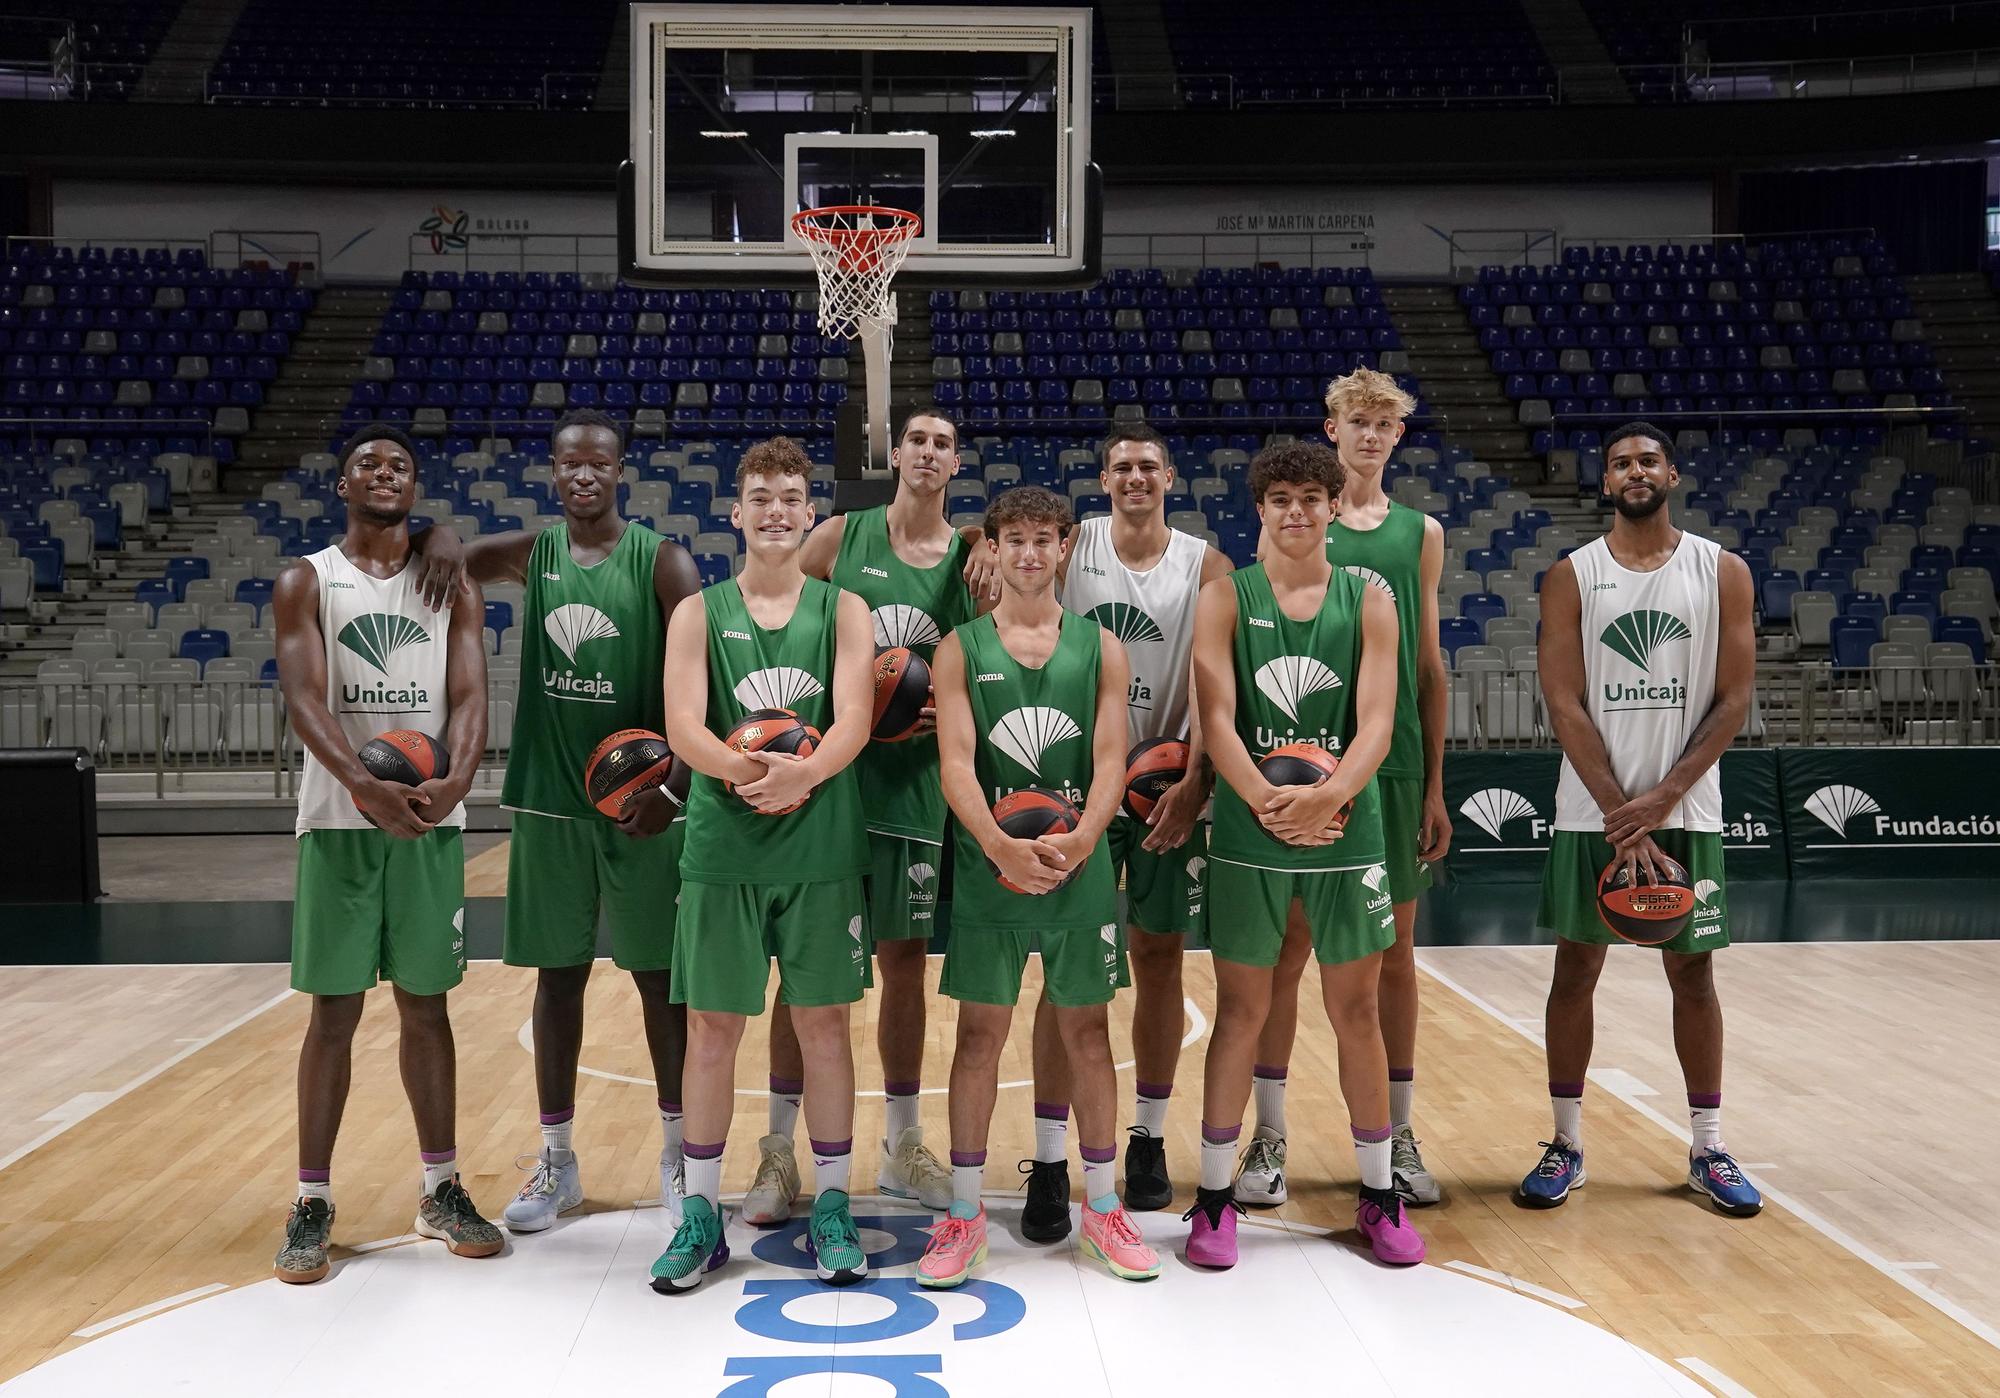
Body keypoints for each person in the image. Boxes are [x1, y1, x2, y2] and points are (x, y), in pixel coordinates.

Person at [408, 408, 702, 1232]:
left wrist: (676, 788)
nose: (582, 475)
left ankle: (679, 1153)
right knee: (558, 979)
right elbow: (454, 557)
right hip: (549, 798)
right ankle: (558, 1160)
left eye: (596, 464)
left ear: (619, 471)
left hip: (642, 803)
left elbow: (700, 678)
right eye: (568, 464)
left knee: (658, 981)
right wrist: (436, 532)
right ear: (552, 472)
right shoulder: (534, 554)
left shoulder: (662, 560)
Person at [1183, 440, 1424, 1270]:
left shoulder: (1370, 599)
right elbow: (1216, 720)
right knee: (1242, 1011)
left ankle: (1379, 1193)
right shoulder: (1224, 598)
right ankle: (1214, 1202)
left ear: (1331, 506)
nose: (1295, 511)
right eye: (1279, 498)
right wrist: (1265, 802)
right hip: (1253, 831)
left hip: (1345, 828)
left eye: (1310, 498)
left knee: (1356, 1011)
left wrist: (1327, 797)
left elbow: (1379, 721)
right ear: (1260, 509)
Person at [271, 423, 497, 1284]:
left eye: (400, 464)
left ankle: (441, 1186)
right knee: (333, 1015)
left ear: (416, 485)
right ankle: (312, 1201)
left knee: (426, 1008)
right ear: (343, 485)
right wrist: (361, 785)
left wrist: (456, 782)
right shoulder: (307, 580)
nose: (384, 472)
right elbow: (304, 697)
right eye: (368, 462)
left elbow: (471, 692)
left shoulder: (450, 581)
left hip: (430, 822)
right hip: (339, 821)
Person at [919, 486, 1161, 1288]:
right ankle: (961, 1215)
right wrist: (997, 846)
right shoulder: (959, 647)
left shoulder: (1101, 647)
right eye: (1012, 539)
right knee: (979, 1038)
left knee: (1087, 1035)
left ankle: (1102, 1209)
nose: (1027, 553)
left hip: (1075, 868)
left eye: (1042, 540)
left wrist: (1086, 840)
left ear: (1065, 548)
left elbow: (1107, 762)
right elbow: (956, 763)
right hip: (992, 869)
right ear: (993, 547)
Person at [1517, 422, 1761, 1218]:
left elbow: (1733, 700)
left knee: (1694, 975)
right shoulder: (1572, 576)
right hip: (1593, 813)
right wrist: (1628, 813)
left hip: (1687, 807)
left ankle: (1709, 1146)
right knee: (1574, 971)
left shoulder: (1721, 570)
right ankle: (1566, 1143)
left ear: (1673, 474)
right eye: (1620, 462)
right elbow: (1564, 699)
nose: (1634, 470)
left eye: (1646, 459)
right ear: (1606, 481)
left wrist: (1663, 800)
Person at [650, 436, 875, 1293]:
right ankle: (701, 1215)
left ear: (810, 513)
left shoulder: (843, 609)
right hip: (724, 845)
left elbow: (853, 715)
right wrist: (760, 773)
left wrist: (806, 773)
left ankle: (830, 1207)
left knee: (823, 1028)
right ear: (734, 512)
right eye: (761, 496)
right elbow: (683, 728)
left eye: (791, 496)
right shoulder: (699, 613)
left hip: (820, 845)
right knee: (712, 1030)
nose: (777, 509)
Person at [748, 407, 977, 1224]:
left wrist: (941, 713)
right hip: (830, 783)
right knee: (804, 973)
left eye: (943, 443)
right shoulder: (841, 535)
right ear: (898, 455)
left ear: (957, 462)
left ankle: (903, 1143)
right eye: (916, 439)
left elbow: (980, 663)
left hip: (913, 788)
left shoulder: (970, 558)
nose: (927, 452)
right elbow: (778, 620)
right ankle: (778, 1151)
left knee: (904, 965)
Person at [1241, 368, 1452, 1208]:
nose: (1369, 434)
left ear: (1399, 435)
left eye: (1384, 423)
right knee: (1285, 955)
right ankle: (1269, 1134)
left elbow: (1429, 665)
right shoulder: (1293, 522)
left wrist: (1436, 781)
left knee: (1392, 957)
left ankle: (1395, 1132)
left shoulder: (1419, 533)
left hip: (1387, 761)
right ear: (1330, 428)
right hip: (1296, 755)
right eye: (1355, 420)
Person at [1020, 421, 1230, 1236]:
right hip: (1077, 786)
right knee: (1066, 964)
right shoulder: (1074, 550)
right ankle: (1046, 1156)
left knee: (1158, 954)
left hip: (1168, 786)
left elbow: (1219, 685)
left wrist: (1197, 779)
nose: (1135, 477)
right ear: (1102, 479)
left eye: (1148, 466)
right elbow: (1017, 578)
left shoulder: (1206, 563)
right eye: (1121, 467)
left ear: (1170, 476)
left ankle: (1146, 1137)